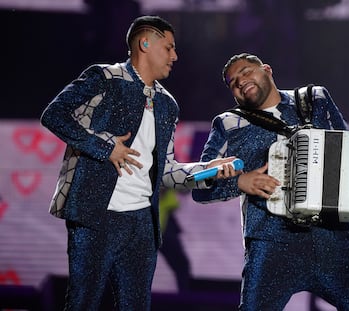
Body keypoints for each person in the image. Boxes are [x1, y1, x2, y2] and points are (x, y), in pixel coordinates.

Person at [40, 15, 236, 311]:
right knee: (83, 303)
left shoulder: (168, 104)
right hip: (95, 216)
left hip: (142, 224)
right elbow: (54, 115)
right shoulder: (104, 78)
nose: (175, 56)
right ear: (145, 43)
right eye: (169, 47)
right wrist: (105, 147)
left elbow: (168, 171)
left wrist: (210, 170)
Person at [192, 53, 349, 311]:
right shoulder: (228, 123)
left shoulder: (315, 98)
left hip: (335, 241)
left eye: (246, 72)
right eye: (233, 83)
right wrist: (240, 182)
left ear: (267, 69)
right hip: (272, 247)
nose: (241, 81)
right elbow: (199, 186)